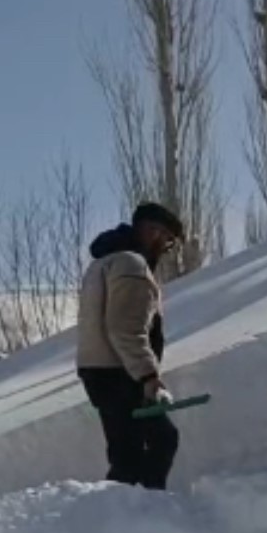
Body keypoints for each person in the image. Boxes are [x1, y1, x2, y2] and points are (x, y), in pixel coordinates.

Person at [76, 202, 185, 490]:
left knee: (127, 454)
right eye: (165, 238)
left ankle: (133, 509)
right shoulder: (131, 265)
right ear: (150, 230)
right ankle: (142, 509)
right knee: (159, 441)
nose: (165, 246)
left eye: (169, 242)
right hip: (121, 373)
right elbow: (125, 329)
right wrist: (149, 377)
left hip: (101, 371)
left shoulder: (104, 262)